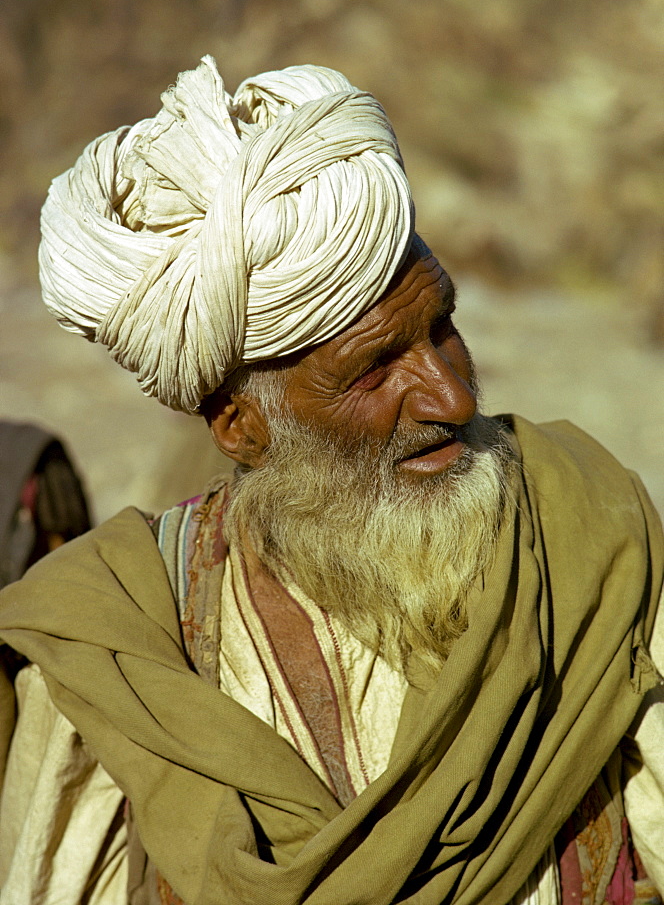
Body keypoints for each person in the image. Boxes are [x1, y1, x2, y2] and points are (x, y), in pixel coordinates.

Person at [0, 57, 662, 905]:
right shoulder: (116, 647)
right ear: (242, 428)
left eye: (443, 328)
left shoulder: (592, 540)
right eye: (375, 368)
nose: (453, 396)